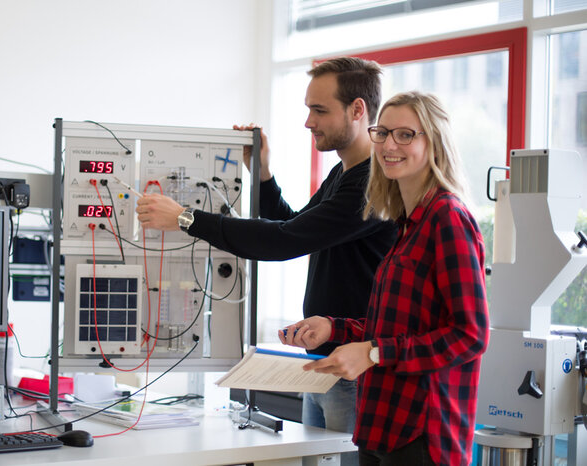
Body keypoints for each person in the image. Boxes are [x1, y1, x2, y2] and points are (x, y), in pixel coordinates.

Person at [136, 57, 397, 449]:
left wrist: (188, 218)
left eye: (319, 110)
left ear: (358, 110)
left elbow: (285, 240)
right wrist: (262, 175)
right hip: (326, 367)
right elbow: (294, 226)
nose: (309, 122)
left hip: (353, 373)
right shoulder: (344, 174)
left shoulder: (372, 184)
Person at [280, 91, 489, 466]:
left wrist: (375, 354)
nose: (389, 145)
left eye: (406, 135)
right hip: (382, 426)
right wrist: (334, 329)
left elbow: (469, 336)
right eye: (383, 133)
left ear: (434, 142)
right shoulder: (406, 223)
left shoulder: (448, 218)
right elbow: (394, 326)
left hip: (423, 433)